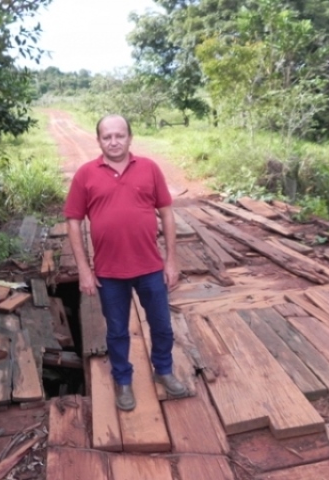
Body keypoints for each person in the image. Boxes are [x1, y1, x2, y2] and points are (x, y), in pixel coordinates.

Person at [64, 114, 187, 411]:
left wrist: (171, 260)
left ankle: (165, 371)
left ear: (130, 137)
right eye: (107, 136)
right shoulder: (85, 175)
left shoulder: (149, 168)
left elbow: (167, 214)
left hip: (151, 268)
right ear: (98, 141)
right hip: (109, 273)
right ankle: (123, 381)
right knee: (117, 331)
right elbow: (73, 222)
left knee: (162, 327)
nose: (114, 141)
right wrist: (84, 269)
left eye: (119, 135)